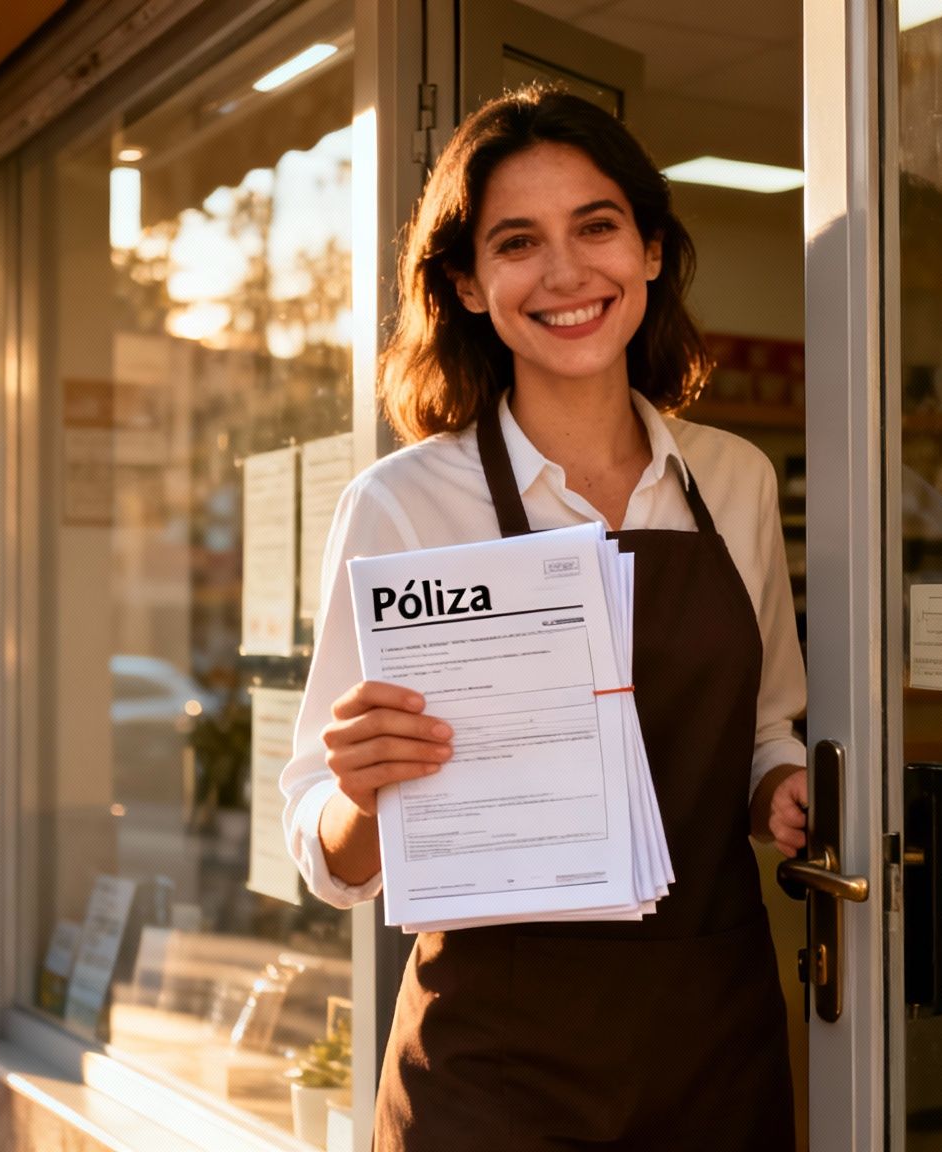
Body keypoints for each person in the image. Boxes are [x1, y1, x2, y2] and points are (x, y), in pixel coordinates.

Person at [278, 85, 810, 1150]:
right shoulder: (401, 505)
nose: (566, 274)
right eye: (517, 242)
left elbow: (763, 734)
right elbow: (323, 851)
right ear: (469, 285)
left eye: (597, 226)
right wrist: (363, 791)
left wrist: (786, 792)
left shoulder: (735, 482)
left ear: (650, 250)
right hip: (491, 1066)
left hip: (711, 1039)